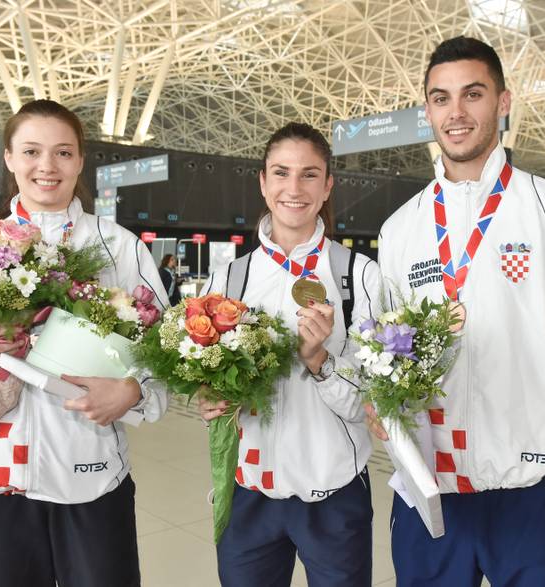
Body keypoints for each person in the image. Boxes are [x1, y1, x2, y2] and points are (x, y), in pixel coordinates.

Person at [374, 37, 545, 586]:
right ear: (427, 111)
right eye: (441, 98)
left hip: (533, 495)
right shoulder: (401, 229)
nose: (457, 112)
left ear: (503, 101)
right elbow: (385, 350)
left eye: (473, 94)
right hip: (432, 497)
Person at [0, 99, 171, 587]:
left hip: (90, 469)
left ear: (80, 162)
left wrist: (133, 392)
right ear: (11, 159)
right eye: (32, 151)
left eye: (62, 153)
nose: (47, 166)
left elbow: (162, 348)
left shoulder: (117, 246)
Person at [198, 122, 383, 587]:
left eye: (309, 175)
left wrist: (320, 360)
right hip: (248, 488)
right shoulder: (230, 278)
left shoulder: (356, 276)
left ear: (327, 187)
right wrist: (207, 392)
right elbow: (202, 370)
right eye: (281, 173)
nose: (293, 188)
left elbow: (370, 402)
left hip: (335, 489)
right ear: (263, 182)